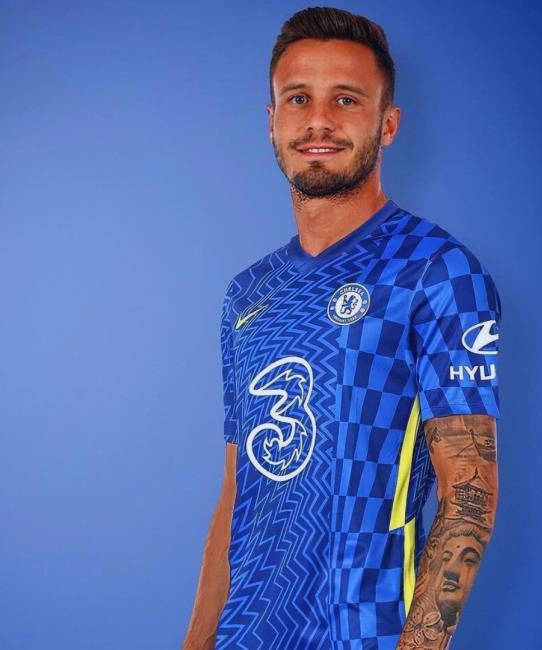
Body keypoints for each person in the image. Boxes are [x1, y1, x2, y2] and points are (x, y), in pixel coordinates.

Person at [182, 7, 501, 650]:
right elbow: (237, 492)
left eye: (346, 99)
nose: (319, 120)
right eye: (298, 98)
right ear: (272, 121)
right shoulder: (248, 294)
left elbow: (469, 495)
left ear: (388, 124)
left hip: (362, 634)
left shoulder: (436, 271)